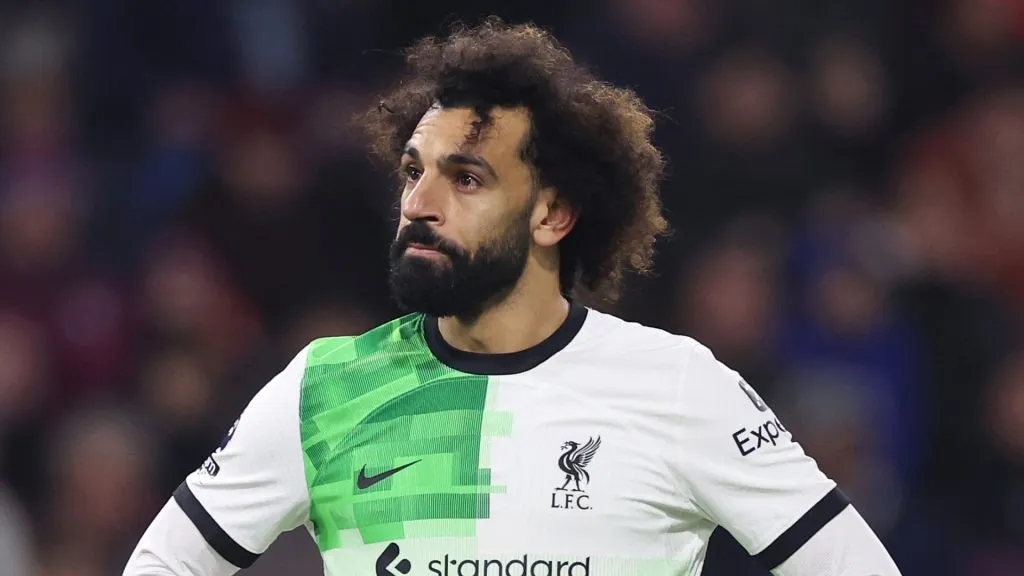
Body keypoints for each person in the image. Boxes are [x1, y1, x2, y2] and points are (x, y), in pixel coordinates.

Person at [123, 19, 901, 576]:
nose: (419, 202)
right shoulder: (324, 388)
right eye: (412, 171)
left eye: (465, 178)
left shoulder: (679, 385)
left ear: (554, 214)